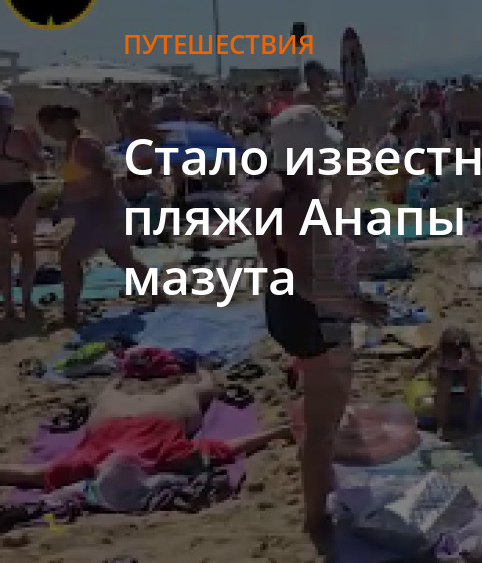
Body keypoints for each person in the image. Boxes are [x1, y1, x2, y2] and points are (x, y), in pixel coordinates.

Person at [250, 105, 385, 538]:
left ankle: (319, 497)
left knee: (319, 416)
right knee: (323, 425)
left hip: (285, 308)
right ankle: (315, 520)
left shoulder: (271, 188)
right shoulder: (299, 202)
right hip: (314, 316)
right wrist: (358, 307)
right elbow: (307, 282)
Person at [0, 368, 289, 491]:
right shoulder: (91, 462)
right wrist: (278, 432)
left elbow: (27, 474)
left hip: (145, 416)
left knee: (195, 391)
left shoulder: (167, 456)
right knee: (200, 388)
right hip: (124, 417)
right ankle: (203, 371)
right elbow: (26, 474)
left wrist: (278, 432)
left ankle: (119, 378)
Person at [40, 105, 156, 326]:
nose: (47, 133)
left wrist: (105, 212)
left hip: (100, 211)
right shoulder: (76, 143)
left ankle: (71, 314)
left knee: (69, 258)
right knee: (122, 258)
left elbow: (104, 175)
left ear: (61, 121)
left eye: (47, 127)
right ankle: (158, 295)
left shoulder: (84, 144)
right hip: (100, 211)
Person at [0, 91, 44, 319]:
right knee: (26, 248)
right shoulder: (17, 135)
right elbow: (40, 166)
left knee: (3, 253)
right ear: (9, 111)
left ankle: (8, 305)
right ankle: (26, 301)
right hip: (20, 189)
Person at [408, 327, 482, 440]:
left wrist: (471, 364)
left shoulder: (471, 354)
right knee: (445, 379)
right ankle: (442, 424)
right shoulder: (437, 353)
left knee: (473, 374)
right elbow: (419, 367)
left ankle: (470, 419)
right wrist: (419, 378)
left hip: (465, 374)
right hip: (445, 375)